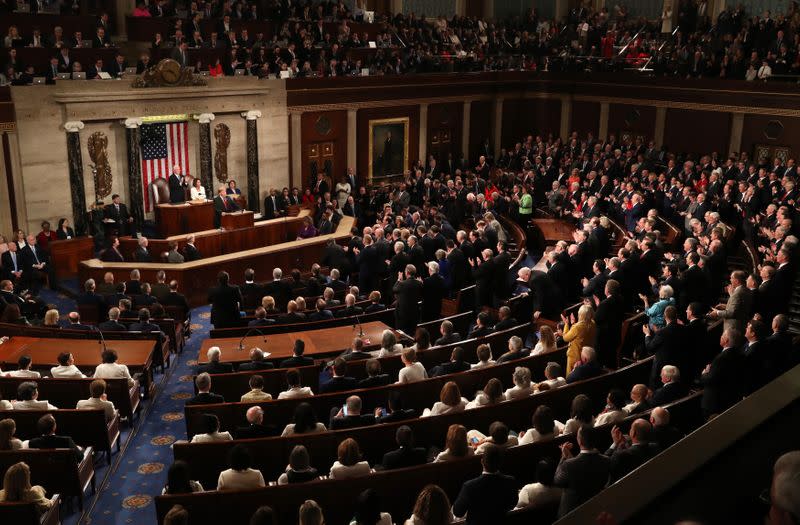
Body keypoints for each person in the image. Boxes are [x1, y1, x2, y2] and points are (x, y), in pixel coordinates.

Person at [553, 425, 611, 517]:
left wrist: (563, 457)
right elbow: (585, 468)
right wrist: (570, 459)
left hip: (571, 515)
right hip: (595, 510)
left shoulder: (568, 465)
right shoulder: (606, 460)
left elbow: (557, 481)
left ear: (579, 441)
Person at [453, 444, 518, 525]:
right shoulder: (510, 482)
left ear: (482, 461)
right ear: (500, 462)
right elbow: (512, 504)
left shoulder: (469, 487)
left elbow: (458, 512)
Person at [701, 327, 745, 419]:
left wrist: (705, 373)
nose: (720, 337)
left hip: (715, 403)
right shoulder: (741, 355)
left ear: (726, 340)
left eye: (722, 335)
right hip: (730, 400)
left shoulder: (721, 359)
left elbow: (711, 379)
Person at [605, 418, 659, 483]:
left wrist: (615, 443)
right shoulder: (655, 447)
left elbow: (604, 463)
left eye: (631, 428)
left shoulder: (619, 455)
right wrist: (627, 445)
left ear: (633, 433)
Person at [561, 304, 597, 373]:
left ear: (581, 315)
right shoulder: (593, 323)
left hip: (575, 357)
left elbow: (565, 338)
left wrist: (566, 324)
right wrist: (574, 324)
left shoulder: (577, 327)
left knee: (571, 377)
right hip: (588, 355)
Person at [393, 264, 424, 334]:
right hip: (414, 311)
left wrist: (399, 279)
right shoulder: (419, 283)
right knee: (412, 331)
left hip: (403, 313)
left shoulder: (402, 284)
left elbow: (394, 289)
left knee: (401, 332)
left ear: (406, 273)